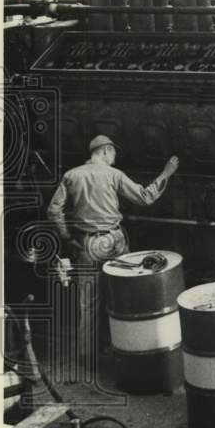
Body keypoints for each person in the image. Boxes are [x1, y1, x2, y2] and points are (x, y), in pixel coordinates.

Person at [47, 135, 179, 374]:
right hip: (114, 243)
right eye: (113, 153)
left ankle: (87, 359)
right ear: (106, 151)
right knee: (124, 299)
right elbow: (145, 196)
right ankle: (131, 351)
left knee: (88, 304)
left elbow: (53, 210)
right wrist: (166, 172)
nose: (114, 157)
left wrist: (67, 238)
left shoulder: (71, 176)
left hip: (86, 245)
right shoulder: (113, 175)